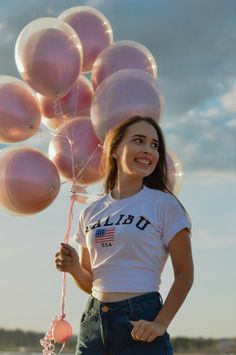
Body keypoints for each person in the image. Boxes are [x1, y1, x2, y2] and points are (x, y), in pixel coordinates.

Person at [55, 116, 194, 354]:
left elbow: (185, 274)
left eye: (154, 145)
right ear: (115, 150)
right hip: (94, 322)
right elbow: (91, 283)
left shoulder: (164, 204)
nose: (148, 150)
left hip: (141, 322)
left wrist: (160, 323)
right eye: (139, 141)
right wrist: (75, 267)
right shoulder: (90, 211)